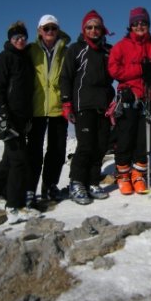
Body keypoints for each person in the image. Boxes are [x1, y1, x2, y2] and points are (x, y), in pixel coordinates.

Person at [60, 10, 115, 205]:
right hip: (83, 105)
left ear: (102, 29)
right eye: (89, 27)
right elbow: (65, 77)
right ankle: (76, 183)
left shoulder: (108, 51)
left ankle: (92, 181)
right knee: (85, 146)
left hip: (104, 106)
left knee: (101, 146)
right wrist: (66, 103)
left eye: (97, 27)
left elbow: (119, 74)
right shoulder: (76, 49)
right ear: (84, 30)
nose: (93, 30)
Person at [108, 7, 151, 195]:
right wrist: (139, 70)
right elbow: (114, 69)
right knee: (125, 137)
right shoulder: (121, 46)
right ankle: (123, 175)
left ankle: (138, 173)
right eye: (136, 23)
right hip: (129, 97)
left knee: (145, 139)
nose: (140, 26)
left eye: (144, 22)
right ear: (130, 25)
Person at [0, 20, 34, 212]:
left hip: (23, 118)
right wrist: (2, 114)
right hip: (9, 118)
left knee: (9, 159)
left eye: (23, 37)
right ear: (10, 39)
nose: (20, 40)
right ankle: (14, 206)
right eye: (16, 37)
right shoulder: (3, 58)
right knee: (18, 161)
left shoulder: (26, 59)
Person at [26, 14, 71, 203]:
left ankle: (50, 186)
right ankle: (29, 188)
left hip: (58, 107)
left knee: (57, 150)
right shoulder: (30, 50)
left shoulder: (66, 52)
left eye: (53, 28)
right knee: (33, 151)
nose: (50, 32)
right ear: (39, 31)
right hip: (35, 108)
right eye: (46, 28)